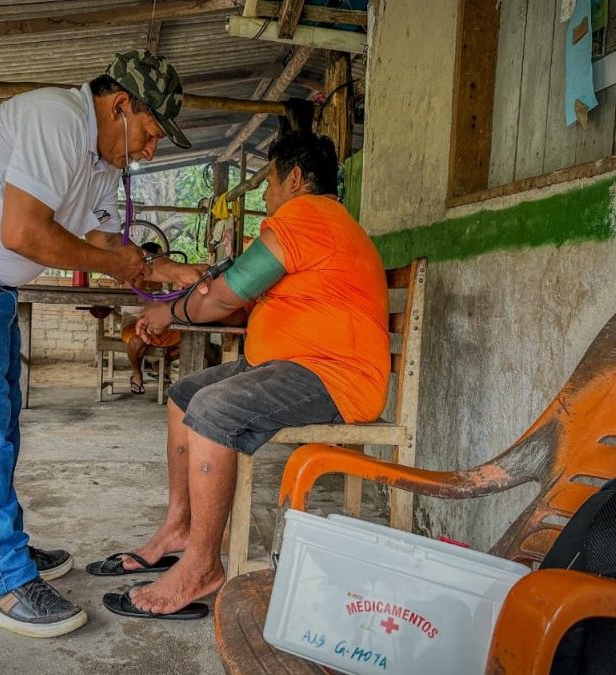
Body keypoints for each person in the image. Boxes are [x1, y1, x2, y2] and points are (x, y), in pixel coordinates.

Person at [0, 49, 203, 638]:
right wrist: (117, 263)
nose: (151, 151)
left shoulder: (104, 164)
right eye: (152, 134)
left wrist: (168, 272)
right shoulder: (58, 119)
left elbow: (111, 247)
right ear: (121, 105)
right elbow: (24, 232)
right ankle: (0, 581)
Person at [89, 132, 391, 619]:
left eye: (269, 182)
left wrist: (169, 311)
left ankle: (202, 566)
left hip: (332, 377)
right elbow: (238, 295)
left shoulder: (306, 215)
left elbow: (227, 297)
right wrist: (190, 298)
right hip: (289, 365)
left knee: (214, 407)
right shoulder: (321, 225)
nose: (266, 196)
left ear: (294, 179)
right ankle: (179, 527)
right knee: (187, 394)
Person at [121, 242, 181, 394]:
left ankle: (162, 362)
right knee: (137, 340)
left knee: (188, 338)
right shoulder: (134, 272)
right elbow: (137, 289)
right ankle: (136, 373)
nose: (164, 259)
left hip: (156, 323)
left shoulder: (162, 275)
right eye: (160, 256)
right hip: (134, 323)